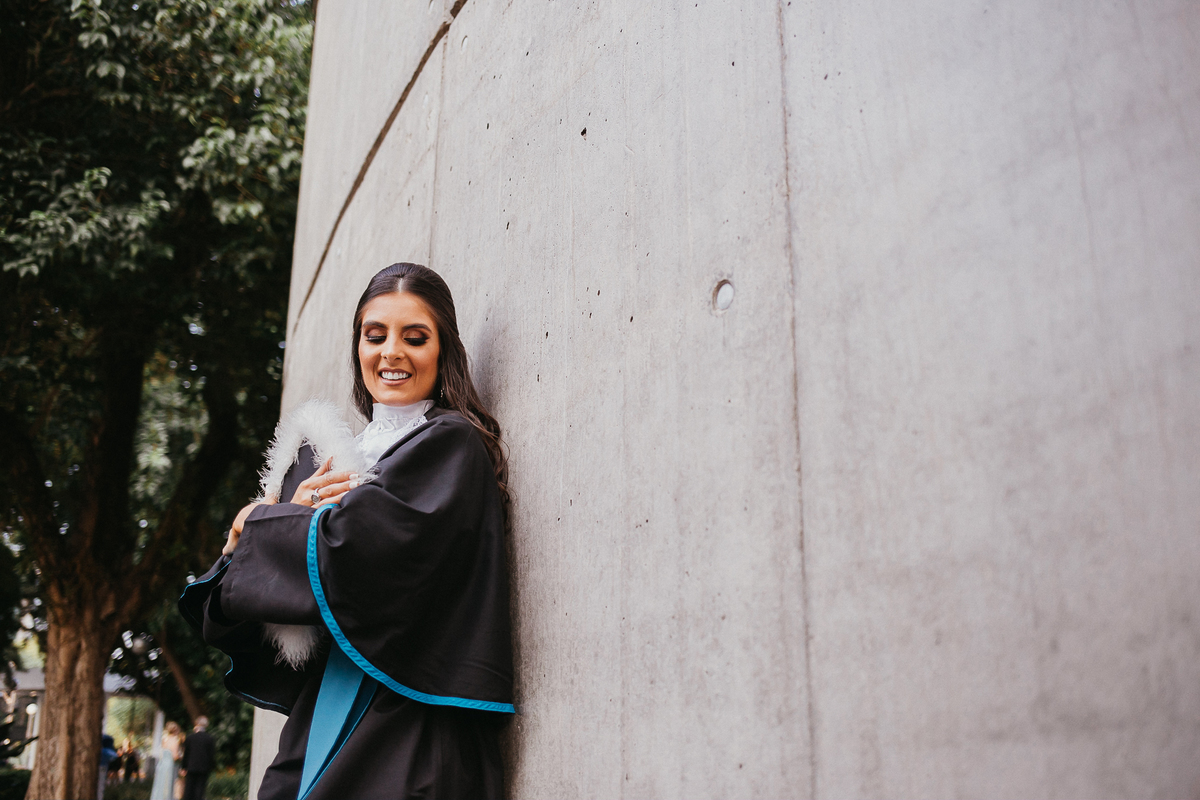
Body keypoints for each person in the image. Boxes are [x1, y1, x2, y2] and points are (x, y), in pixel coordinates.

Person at [180, 263, 514, 799]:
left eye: (415, 337)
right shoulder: (353, 453)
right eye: (374, 335)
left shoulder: (451, 444)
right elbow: (261, 592)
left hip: (408, 715)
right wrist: (261, 533)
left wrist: (263, 523)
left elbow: (361, 548)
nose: (391, 353)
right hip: (331, 698)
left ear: (444, 349)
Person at [180, 717, 216, 800]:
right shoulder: (209, 739)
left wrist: (183, 767)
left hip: (191, 766)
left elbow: (186, 754)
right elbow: (211, 755)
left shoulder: (190, 738)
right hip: (204, 767)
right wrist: (211, 767)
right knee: (200, 789)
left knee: (189, 789)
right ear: (206, 725)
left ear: (196, 724)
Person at [150, 721, 184, 800]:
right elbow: (175, 756)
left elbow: (163, 752)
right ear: (176, 730)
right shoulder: (175, 740)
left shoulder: (164, 739)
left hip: (162, 765)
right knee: (168, 785)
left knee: (160, 785)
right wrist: (181, 757)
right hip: (170, 765)